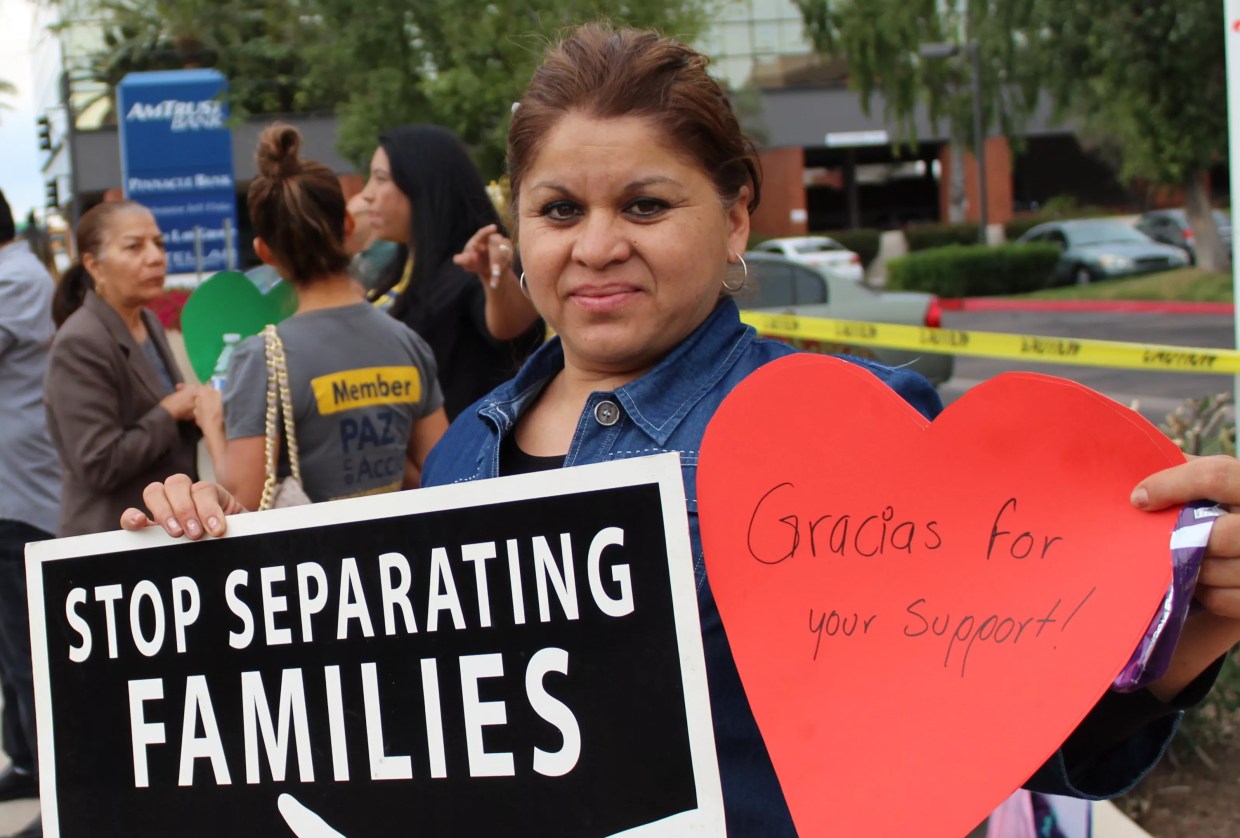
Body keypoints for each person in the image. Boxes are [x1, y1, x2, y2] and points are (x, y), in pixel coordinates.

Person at [126, 25, 1240, 834]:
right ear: (515, 224)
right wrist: (201, 582)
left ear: (738, 213)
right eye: (560, 210)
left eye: (646, 206)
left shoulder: (858, 437)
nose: (597, 244)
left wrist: (1168, 654)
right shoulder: (465, 451)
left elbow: (998, 736)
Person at [192, 123, 448, 511]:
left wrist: (211, 424)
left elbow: (244, 501)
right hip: (400, 561)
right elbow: (442, 474)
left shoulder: (261, 358)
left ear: (264, 252)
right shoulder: (406, 342)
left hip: (315, 565)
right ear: (347, 226)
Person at [44, 200, 204, 538]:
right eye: (134, 247)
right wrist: (169, 412)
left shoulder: (148, 321)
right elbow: (98, 463)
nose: (155, 257)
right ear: (94, 266)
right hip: (111, 539)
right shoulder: (80, 342)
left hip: (163, 531)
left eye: (159, 244)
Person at [361, 124, 542, 419]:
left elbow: (514, 328)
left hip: (460, 452)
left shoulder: (470, 269)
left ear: (423, 186)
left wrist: (494, 280)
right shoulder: (397, 272)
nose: (367, 194)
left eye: (380, 179)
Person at [0, 189, 61, 838]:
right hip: (6, 491)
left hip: (22, 495)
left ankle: (55, 787)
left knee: (25, 650)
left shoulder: (15, 279)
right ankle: (24, 758)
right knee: (8, 644)